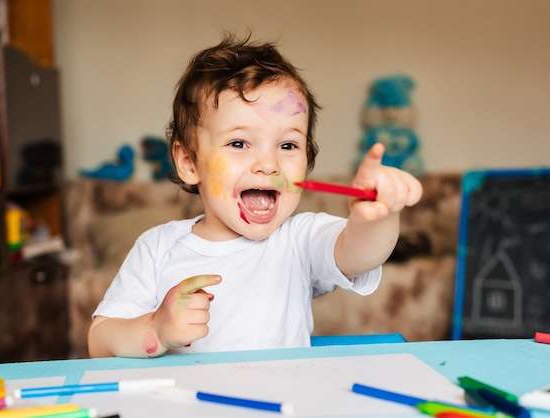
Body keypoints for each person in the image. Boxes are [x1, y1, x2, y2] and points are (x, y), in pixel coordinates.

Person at [88, 33, 423, 358]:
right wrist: (155, 329)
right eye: (239, 143)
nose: (268, 164)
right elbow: (100, 342)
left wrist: (378, 216)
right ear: (190, 163)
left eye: (288, 145)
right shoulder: (157, 248)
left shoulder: (298, 239)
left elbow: (361, 253)